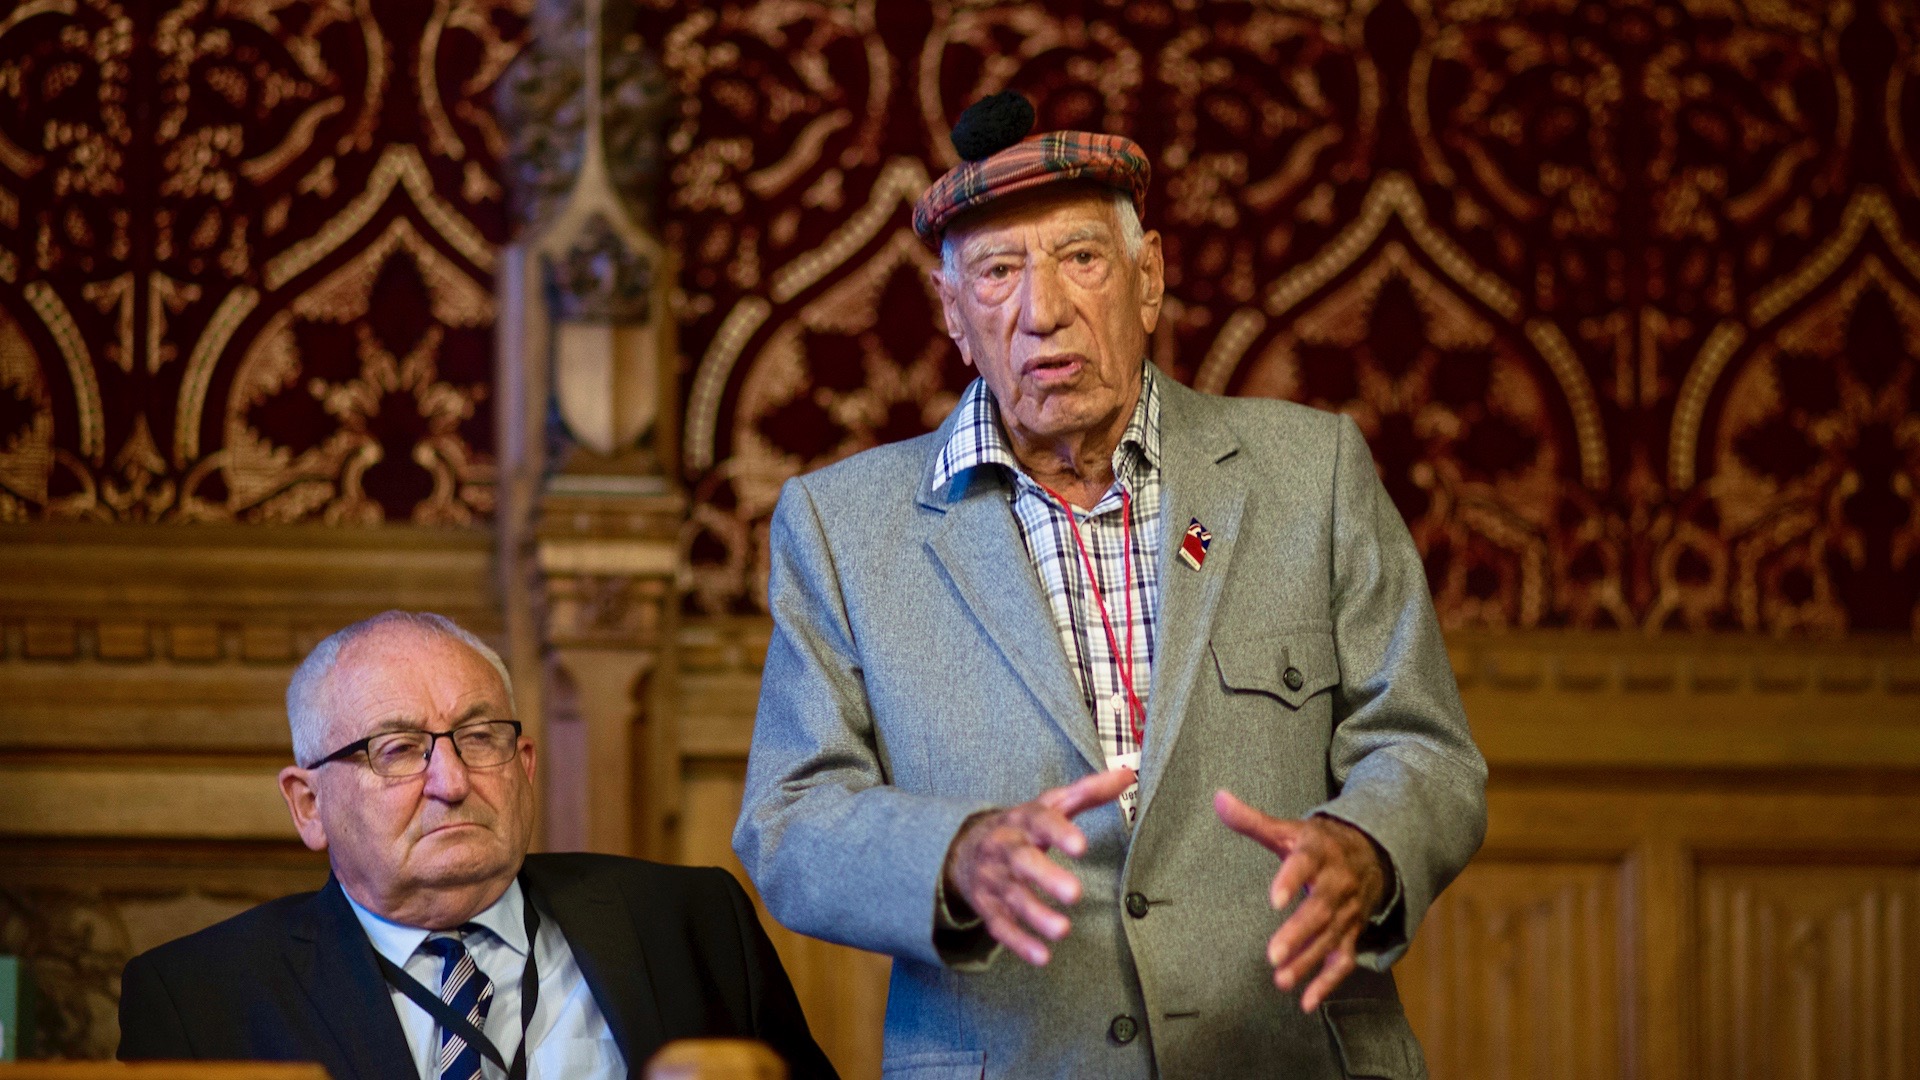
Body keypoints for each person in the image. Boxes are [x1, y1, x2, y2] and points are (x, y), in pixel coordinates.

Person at [733, 92, 1486, 1078]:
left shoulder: (1314, 473)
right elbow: (789, 817)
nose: (1044, 311)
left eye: (1082, 259)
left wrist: (1366, 848)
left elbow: (1425, 749)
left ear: (1149, 278)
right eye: (999, 272)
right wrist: (951, 855)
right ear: (955, 317)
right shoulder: (841, 526)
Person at [119, 611, 836, 1080]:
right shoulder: (199, 998)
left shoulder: (693, 923)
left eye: (478, 738)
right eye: (397, 750)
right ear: (309, 806)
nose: (451, 781)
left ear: (524, 766)